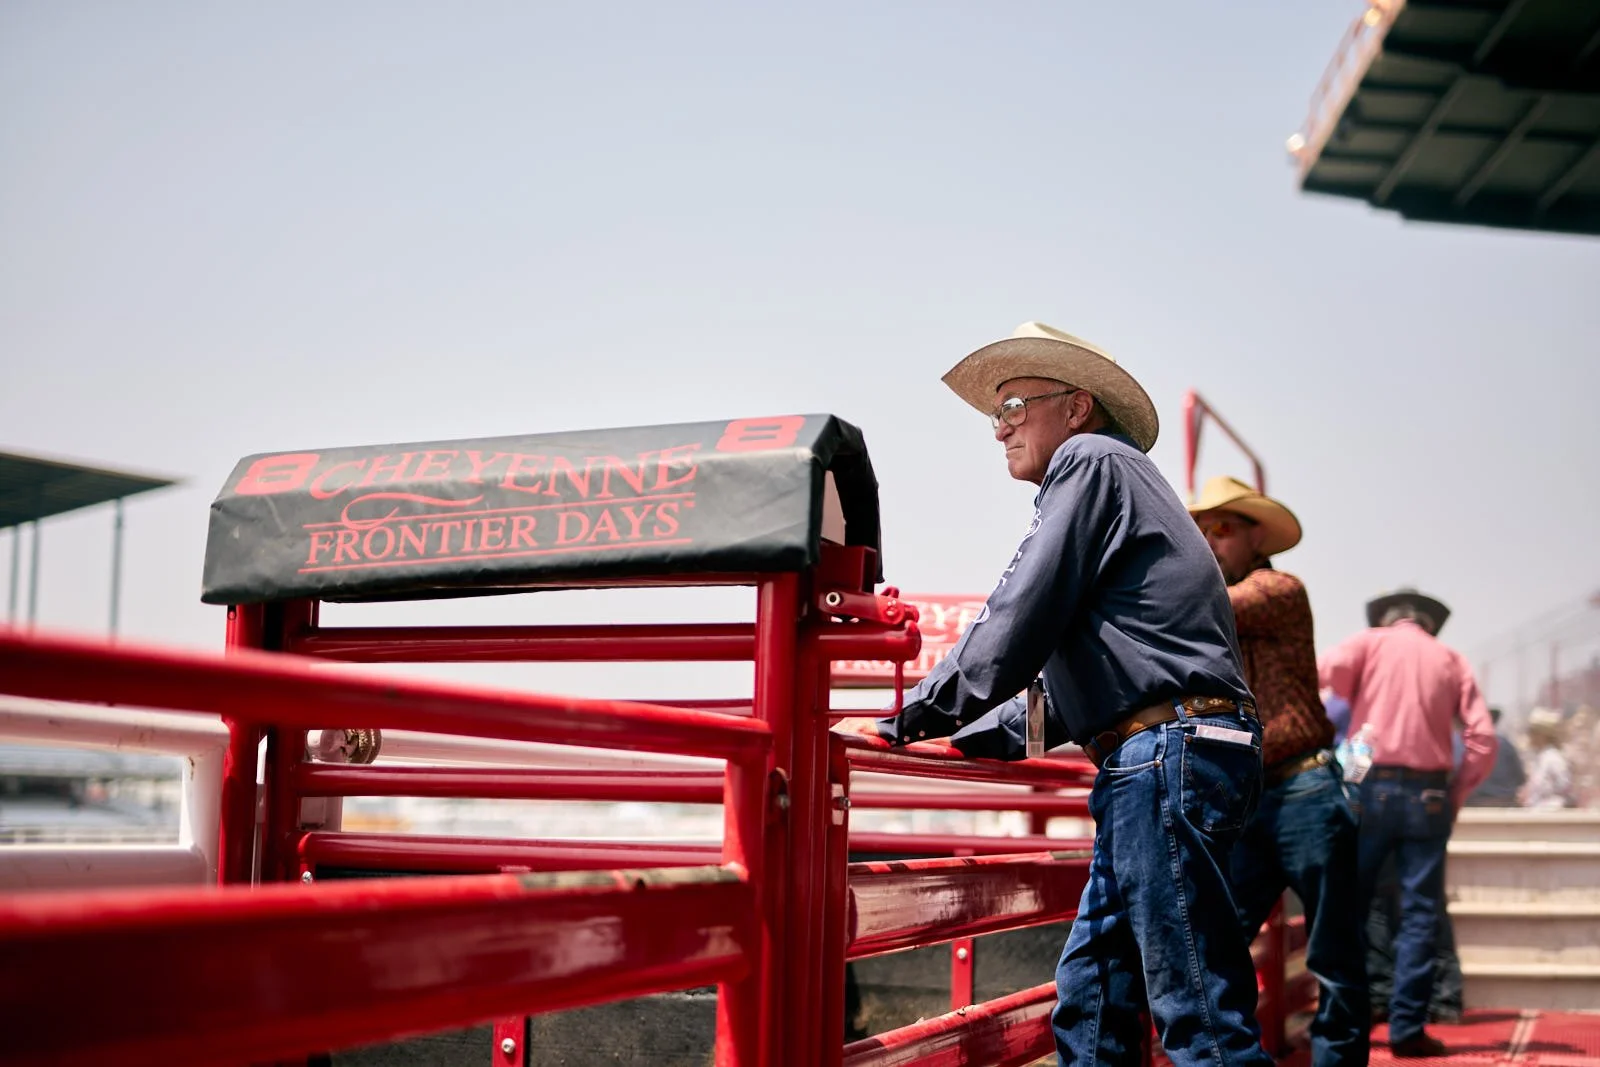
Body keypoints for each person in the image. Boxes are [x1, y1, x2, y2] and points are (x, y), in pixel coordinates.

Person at [837, 321, 1273, 1065]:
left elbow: (1019, 612)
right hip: (1166, 754)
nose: (998, 427)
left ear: (1075, 407)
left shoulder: (1090, 460)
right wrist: (959, 733)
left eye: (1013, 405)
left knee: (1197, 1007)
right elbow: (1057, 694)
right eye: (994, 414)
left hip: (1163, 758)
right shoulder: (1119, 486)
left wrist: (906, 717)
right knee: (1094, 989)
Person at [1188, 476, 1369, 1066]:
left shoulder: (1279, 589)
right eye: (1199, 530)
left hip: (1304, 788)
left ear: (1254, 536)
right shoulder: (1216, 605)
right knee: (1216, 942)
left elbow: (1207, 608)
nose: (1208, 540)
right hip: (1254, 796)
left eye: (1221, 529)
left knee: (1333, 955)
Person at [1320, 589, 1496, 1059]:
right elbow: (1482, 738)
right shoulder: (1450, 658)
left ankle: (1346, 1020)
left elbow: (1319, 678)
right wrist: (1457, 791)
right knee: (1421, 912)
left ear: (1386, 620)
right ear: (1428, 625)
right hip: (1431, 793)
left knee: (1350, 907)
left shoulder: (1366, 644)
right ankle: (1407, 1028)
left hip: (1369, 783)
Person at [1465, 708, 1525, 807]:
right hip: (1503, 804)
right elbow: (1520, 778)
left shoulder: (1465, 744)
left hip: (1472, 804)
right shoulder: (1506, 745)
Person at [1522, 707, 1574, 808]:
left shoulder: (1554, 758)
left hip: (1551, 814)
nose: (1529, 736)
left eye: (1532, 732)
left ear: (1542, 735)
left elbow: (1564, 787)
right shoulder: (1540, 757)